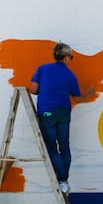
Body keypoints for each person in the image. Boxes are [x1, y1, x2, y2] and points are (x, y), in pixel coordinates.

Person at [29, 42, 94, 194]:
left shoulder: (42, 69)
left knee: (52, 149)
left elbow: (33, 90)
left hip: (46, 113)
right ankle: (63, 180)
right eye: (71, 57)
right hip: (64, 113)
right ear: (65, 57)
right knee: (64, 147)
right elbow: (78, 99)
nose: (70, 59)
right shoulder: (70, 75)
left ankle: (63, 181)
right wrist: (89, 93)